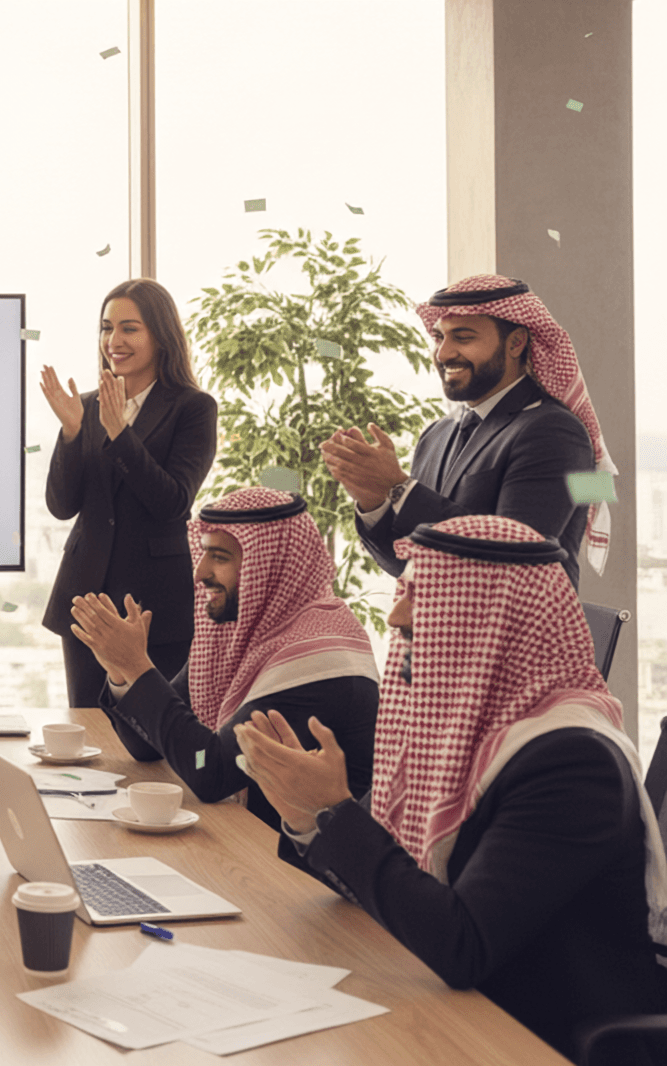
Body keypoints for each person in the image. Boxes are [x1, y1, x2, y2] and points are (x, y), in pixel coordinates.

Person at [235, 515, 667, 1061]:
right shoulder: (462, 731)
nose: (395, 614)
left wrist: (334, 811)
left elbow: (465, 944)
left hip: (538, 1039)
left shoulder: (574, 761)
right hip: (456, 1010)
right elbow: (389, 873)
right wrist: (303, 813)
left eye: (423, 594)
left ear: (492, 620)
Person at [69, 486, 379, 846]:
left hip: (304, 878)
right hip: (248, 847)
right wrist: (122, 671)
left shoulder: (319, 656)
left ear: (270, 565)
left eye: (219, 557)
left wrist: (139, 668)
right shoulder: (251, 632)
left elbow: (209, 770)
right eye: (204, 555)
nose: (199, 574)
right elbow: (147, 746)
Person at [321, 274, 604, 588]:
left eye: (463, 337)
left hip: (517, 635)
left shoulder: (555, 432)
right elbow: (408, 566)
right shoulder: (436, 436)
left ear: (516, 343)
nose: (443, 354)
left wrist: (398, 486)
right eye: (440, 338)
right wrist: (375, 500)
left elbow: (513, 561)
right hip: (440, 635)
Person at [38, 278, 217, 707]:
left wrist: (120, 433)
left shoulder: (193, 408)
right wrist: (72, 431)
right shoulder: (84, 405)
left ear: (161, 335)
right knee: (88, 725)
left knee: (153, 735)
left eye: (129, 328)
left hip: (157, 603)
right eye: (106, 328)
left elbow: (173, 502)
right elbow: (62, 506)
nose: (113, 341)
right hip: (86, 597)